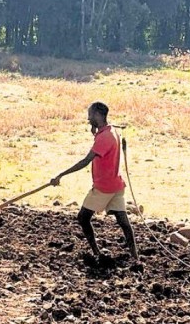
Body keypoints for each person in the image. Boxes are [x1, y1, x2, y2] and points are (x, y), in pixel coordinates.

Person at [50, 102, 138, 261]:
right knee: (123, 221)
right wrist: (95, 130)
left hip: (104, 188)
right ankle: (135, 256)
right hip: (116, 185)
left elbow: (85, 161)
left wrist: (60, 175)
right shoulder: (111, 131)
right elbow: (105, 144)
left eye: (90, 114)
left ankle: (96, 253)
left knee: (83, 218)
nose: (88, 118)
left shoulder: (104, 137)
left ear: (98, 114)